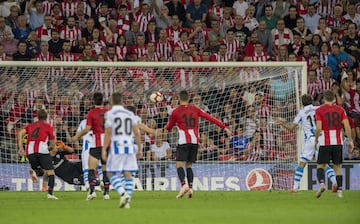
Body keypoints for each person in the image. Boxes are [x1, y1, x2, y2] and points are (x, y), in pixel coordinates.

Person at [164, 90, 232, 199]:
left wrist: (166, 128)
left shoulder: (175, 112)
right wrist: (225, 127)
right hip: (195, 142)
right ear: (188, 98)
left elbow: (169, 127)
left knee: (179, 164)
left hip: (183, 142)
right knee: (189, 165)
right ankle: (190, 188)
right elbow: (210, 118)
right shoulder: (195, 109)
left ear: (178, 98)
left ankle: (184, 185)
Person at [275, 94, 337, 192]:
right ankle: (335, 183)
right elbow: (330, 107)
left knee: (302, 164)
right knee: (324, 164)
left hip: (311, 140)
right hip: (321, 139)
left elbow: (291, 128)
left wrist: (282, 123)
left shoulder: (302, 112)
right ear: (311, 101)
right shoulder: (318, 108)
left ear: (302, 103)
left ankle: (295, 188)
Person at [101, 92, 142, 209]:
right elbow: (136, 132)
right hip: (129, 146)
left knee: (110, 172)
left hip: (117, 146)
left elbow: (108, 132)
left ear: (111, 101)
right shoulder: (129, 113)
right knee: (128, 173)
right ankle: (127, 201)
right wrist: (139, 148)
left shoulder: (109, 114)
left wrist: (104, 149)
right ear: (122, 101)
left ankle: (123, 194)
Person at [314, 90, 354, 198]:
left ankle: (322, 184)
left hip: (325, 142)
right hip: (338, 142)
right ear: (333, 99)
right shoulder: (341, 110)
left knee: (320, 166)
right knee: (337, 167)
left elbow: (318, 128)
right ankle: (340, 191)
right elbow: (347, 126)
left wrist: (316, 139)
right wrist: (350, 140)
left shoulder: (319, 110)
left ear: (324, 99)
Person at [71, 92, 109, 200]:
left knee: (91, 169)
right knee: (105, 169)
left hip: (95, 144)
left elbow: (87, 129)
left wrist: (76, 137)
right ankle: (106, 194)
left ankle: (92, 192)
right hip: (107, 144)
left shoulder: (91, 113)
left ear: (93, 101)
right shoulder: (108, 112)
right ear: (103, 100)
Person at [17, 109, 58, 200]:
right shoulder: (48, 126)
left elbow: (20, 133)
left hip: (30, 151)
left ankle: (35, 172)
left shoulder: (30, 126)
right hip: (42, 149)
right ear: (46, 117)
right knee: (51, 172)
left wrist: (20, 147)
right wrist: (50, 148)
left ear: (37, 117)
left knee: (41, 171)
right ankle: (50, 194)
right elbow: (52, 143)